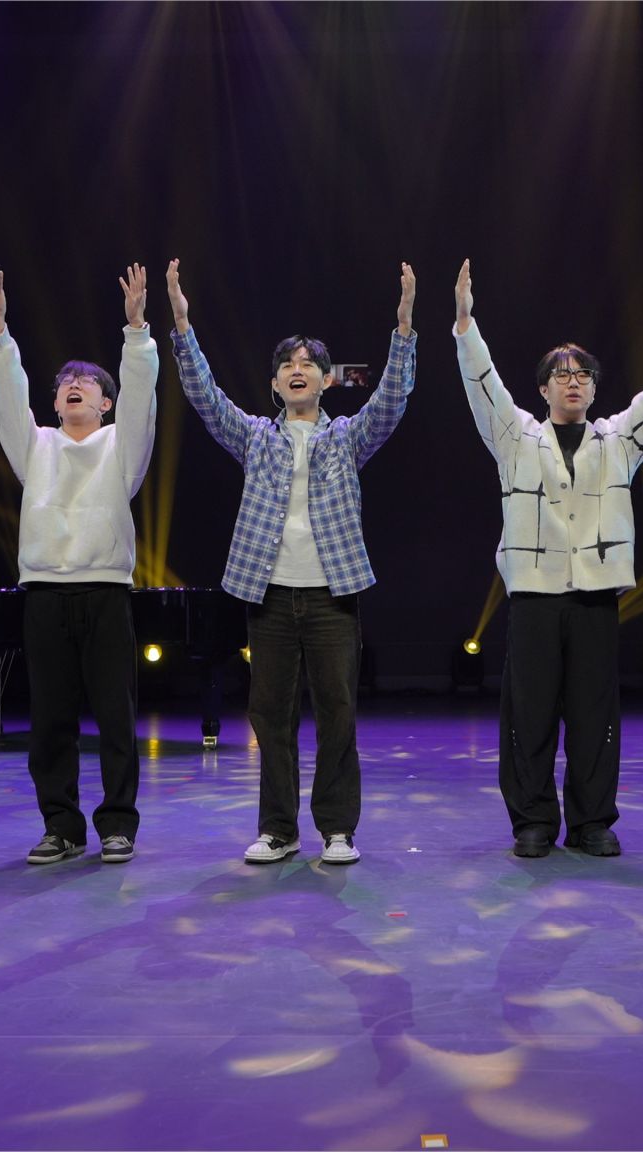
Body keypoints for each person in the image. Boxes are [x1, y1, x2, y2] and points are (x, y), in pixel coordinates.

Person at [451, 259, 643, 858]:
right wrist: (466, 325)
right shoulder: (515, 438)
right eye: (561, 375)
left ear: (594, 389)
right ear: (543, 389)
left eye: (583, 375)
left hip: (595, 598)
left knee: (595, 715)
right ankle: (533, 821)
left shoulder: (617, 441)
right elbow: (481, 384)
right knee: (530, 714)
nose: (573, 382)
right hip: (535, 599)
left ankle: (592, 821)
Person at [164, 259, 416, 866]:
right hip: (270, 594)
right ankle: (278, 829)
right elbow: (205, 398)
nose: (297, 369)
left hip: (332, 593)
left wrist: (404, 330)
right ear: (275, 384)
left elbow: (390, 401)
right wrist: (182, 326)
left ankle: (337, 829)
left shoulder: (346, 436)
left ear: (326, 380)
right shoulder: (256, 435)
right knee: (269, 716)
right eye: (287, 364)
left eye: (308, 364)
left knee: (338, 713)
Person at [0, 259, 158, 865]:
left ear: (106, 403)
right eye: (64, 382)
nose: (73, 385)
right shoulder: (36, 446)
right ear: (55, 401)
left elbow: (142, 398)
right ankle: (60, 826)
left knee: (115, 718)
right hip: (44, 594)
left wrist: (136, 332)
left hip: (106, 592)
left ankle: (117, 825)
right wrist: (0, 334)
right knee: (50, 721)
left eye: (86, 382)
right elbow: (8, 400)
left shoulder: (120, 448)